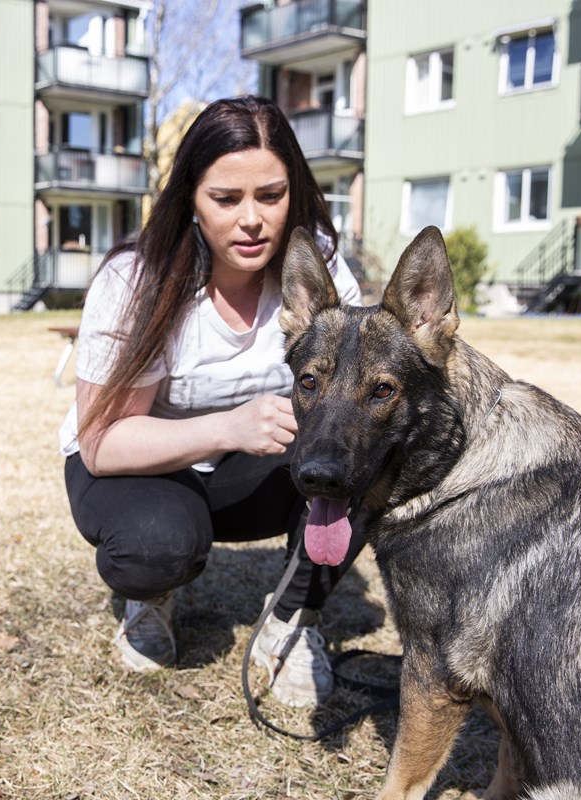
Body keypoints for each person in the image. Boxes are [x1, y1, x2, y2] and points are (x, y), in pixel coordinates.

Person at [58, 96, 364, 708]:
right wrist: (229, 426)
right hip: (134, 467)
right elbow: (101, 444)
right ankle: (150, 596)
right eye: (226, 199)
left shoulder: (321, 270)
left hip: (253, 470)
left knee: (360, 457)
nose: (251, 220)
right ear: (191, 199)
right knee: (157, 542)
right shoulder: (135, 279)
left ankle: (293, 622)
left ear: (294, 193)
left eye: (271, 196)